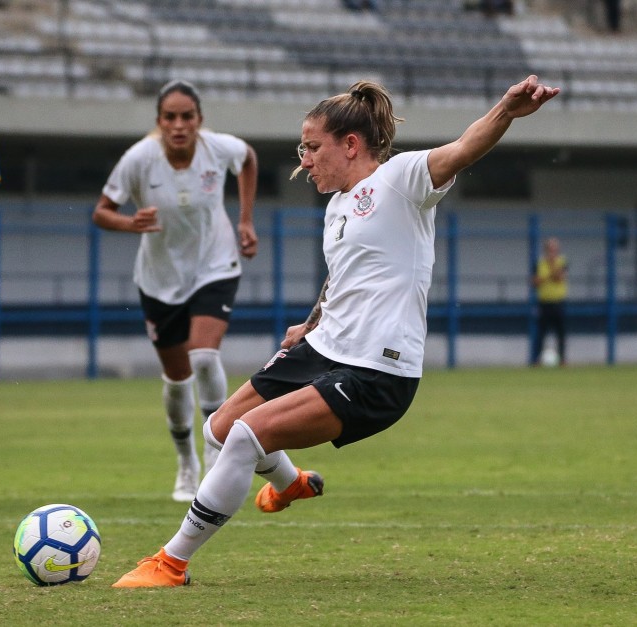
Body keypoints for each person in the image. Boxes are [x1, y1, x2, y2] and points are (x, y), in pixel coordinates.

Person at [110, 75, 559, 588]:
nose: (304, 160)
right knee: (217, 427)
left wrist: (505, 108)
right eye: (302, 148)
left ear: (350, 145)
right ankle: (291, 484)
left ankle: (171, 563)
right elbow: (343, 277)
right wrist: (311, 322)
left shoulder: (401, 179)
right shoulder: (337, 206)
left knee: (244, 437)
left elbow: (462, 149)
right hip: (323, 348)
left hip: (376, 370)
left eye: (311, 147)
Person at [92, 79, 259, 503]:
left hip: (215, 265)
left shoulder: (218, 149)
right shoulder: (139, 159)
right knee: (177, 378)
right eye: (171, 117)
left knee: (203, 356)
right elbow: (101, 212)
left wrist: (244, 220)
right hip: (159, 280)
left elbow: (249, 160)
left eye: (188, 116)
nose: (179, 124)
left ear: (200, 121)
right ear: (159, 122)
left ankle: (214, 446)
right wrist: (131, 223)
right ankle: (186, 463)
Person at [530, 236, 568, 366]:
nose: (552, 252)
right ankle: (537, 360)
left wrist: (550, 269)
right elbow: (534, 282)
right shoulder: (539, 263)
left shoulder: (562, 261)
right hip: (544, 302)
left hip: (558, 301)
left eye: (554, 249)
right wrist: (548, 276)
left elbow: (559, 278)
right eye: (549, 249)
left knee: (561, 332)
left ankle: (562, 360)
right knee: (541, 333)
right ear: (545, 250)